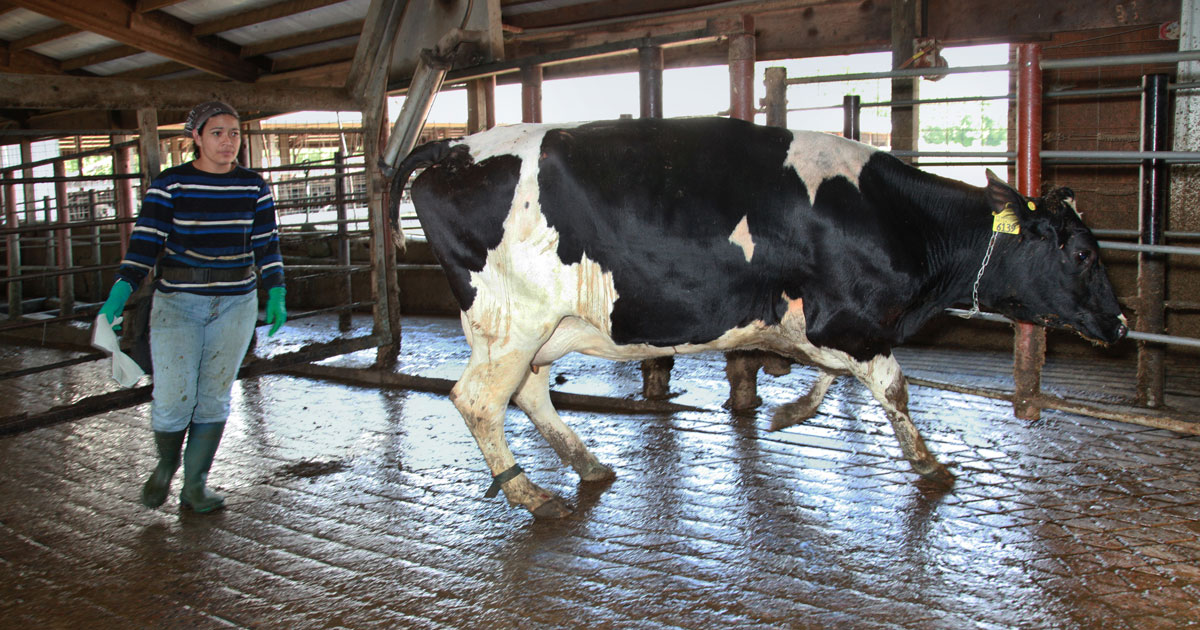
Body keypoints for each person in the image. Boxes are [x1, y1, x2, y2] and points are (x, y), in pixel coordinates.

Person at [98, 101, 287, 513]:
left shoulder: (253, 186)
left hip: (237, 302)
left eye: (234, 133)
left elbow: (266, 244)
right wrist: (121, 290)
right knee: (173, 395)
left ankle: (195, 486)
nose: (227, 141)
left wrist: (275, 291)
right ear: (196, 137)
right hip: (179, 302)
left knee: (215, 395)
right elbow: (146, 242)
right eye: (217, 132)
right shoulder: (171, 185)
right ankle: (166, 468)